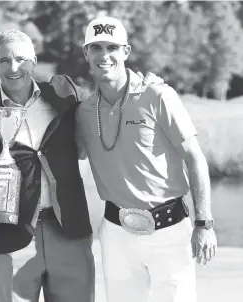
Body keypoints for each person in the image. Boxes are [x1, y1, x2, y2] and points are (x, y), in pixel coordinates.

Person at [0, 29, 160, 302]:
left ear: (34, 61)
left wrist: (140, 86)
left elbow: (105, 104)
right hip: (9, 239)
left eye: (21, 59)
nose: (14, 67)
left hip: (69, 232)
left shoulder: (63, 93)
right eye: (4, 60)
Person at [76, 16, 218, 302]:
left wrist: (204, 224)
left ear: (126, 52)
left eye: (112, 48)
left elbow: (195, 158)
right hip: (116, 236)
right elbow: (70, 155)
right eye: (97, 47)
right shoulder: (83, 112)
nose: (105, 55)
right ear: (86, 54)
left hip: (170, 232)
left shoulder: (158, 95)